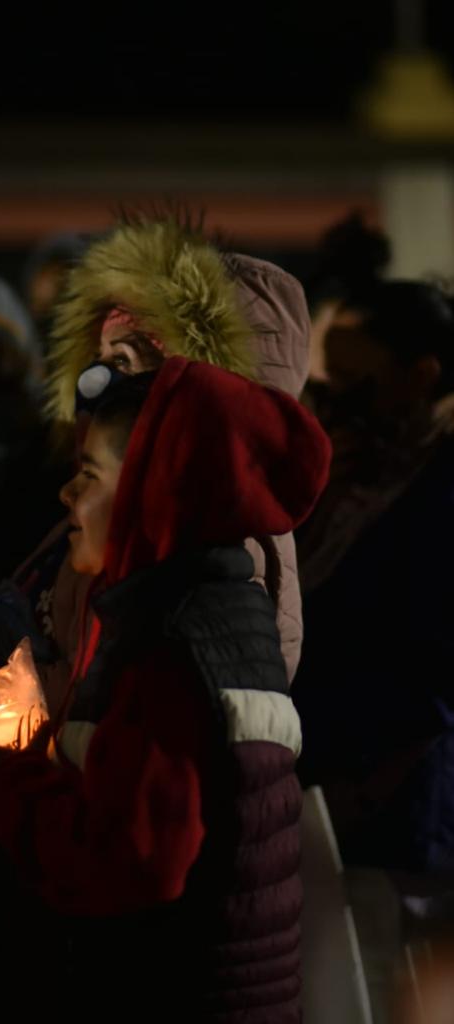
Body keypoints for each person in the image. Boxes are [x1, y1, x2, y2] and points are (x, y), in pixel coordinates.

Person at [0, 215, 312, 775]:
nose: (95, 385)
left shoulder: (205, 538)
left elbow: (69, 706)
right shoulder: (127, 511)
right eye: (97, 363)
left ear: (202, 387)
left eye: (124, 362)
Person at [0, 358, 331, 1022]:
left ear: (157, 489)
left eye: (91, 475)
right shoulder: (214, 611)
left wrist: (2, 771)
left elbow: (134, 862)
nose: (68, 495)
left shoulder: (168, 644)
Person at [294, 279, 454, 875]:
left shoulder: (437, 492)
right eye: (321, 392)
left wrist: (358, 794)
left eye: (357, 390)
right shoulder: (357, 474)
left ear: (421, 377)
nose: (331, 413)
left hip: (395, 813)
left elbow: (433, 682)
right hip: (321, 792)